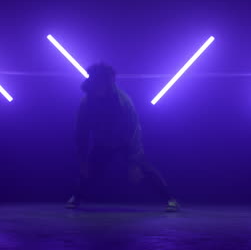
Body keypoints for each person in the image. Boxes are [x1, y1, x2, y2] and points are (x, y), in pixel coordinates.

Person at [65, 63, 180, 212]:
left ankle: (170, 199)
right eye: (95, 81)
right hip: (102, 143)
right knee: (89, 170)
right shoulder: (87, 102)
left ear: (108, 82)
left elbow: (133, 132)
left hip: (124, 142)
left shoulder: (123, 102)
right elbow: (81, 131)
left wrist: (133, 163)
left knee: (145, 169)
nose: (98, 85)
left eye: (101, 81)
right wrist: (82, 159)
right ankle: (76, 197)